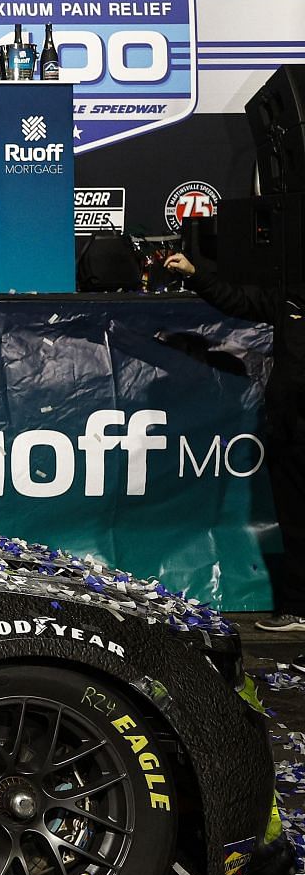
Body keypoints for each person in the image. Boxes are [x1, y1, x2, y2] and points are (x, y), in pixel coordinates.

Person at [165, 250, 305, 632]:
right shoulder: (291, 299)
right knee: (295, 523)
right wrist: (195, 274)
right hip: (290, 433)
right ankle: (298, 610)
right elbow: (238, 300)